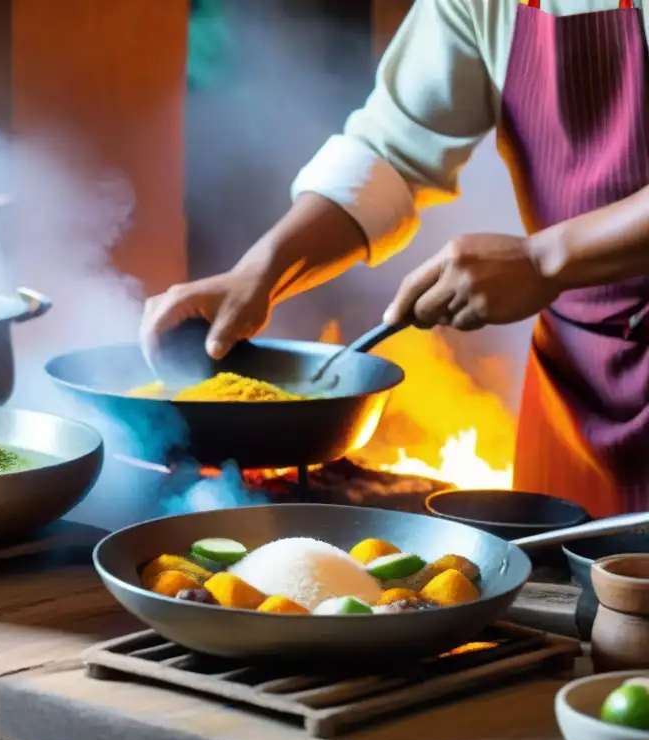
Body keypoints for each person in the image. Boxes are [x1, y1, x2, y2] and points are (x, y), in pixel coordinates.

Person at [141, 0, 649, 519]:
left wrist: (544, 262)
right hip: (576, 380)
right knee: (563, 589)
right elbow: (393, 149)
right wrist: (259, 272)